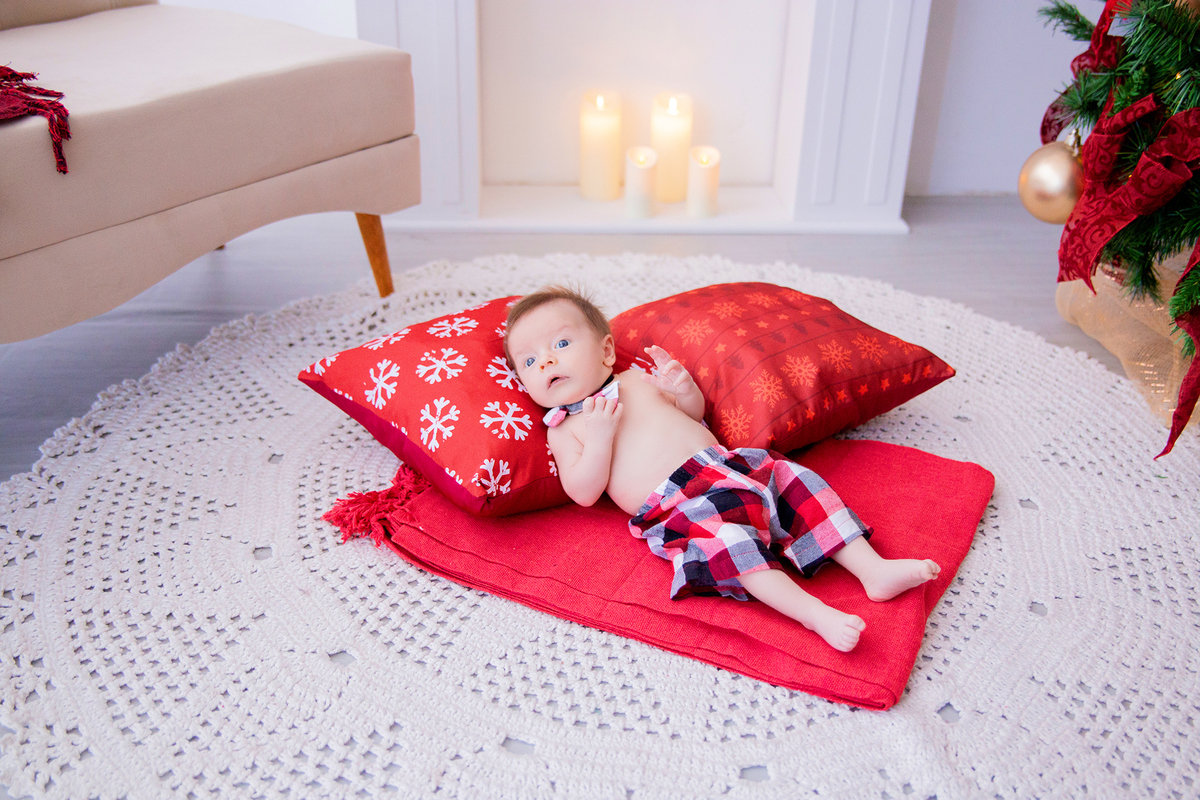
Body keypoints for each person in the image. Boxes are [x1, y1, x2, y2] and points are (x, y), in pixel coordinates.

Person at [504, 285, 940, 653]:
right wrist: (598, 440)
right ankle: (814, 614)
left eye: (560, 344)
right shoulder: (566, 429)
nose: (545, 361)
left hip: (728, 466)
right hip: (677, 505)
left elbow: (693, 415)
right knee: (731, 545)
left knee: (798, 485)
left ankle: (872, 569)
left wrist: (683, 389)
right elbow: (583, 491)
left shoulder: (634, 381)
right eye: (529, 361)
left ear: (605, 352)